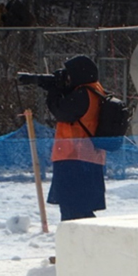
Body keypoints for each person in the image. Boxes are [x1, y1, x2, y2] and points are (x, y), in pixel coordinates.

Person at [43, 55, 108, 222]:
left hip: (73, 158)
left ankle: (79, 244)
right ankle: (87, 243)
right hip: (90, 157)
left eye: (70, 74)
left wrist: (54, 90)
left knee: (73, 211)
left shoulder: (83, 94)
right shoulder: (96, 90)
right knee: (81, 209)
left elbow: (60, 111)